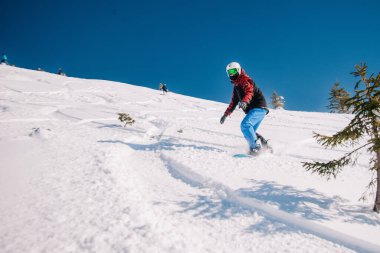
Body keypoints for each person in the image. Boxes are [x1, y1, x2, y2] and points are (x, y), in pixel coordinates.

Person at [220, 62, 269, 156]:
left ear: (238, 70)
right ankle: (265, 145)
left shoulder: (245, 80)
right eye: (230, 72)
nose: (232, 74)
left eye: (234, 71)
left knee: (245, 125)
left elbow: (249, 91)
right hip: (255, 109)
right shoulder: (236, 87)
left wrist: (245, 101)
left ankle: (255, 149)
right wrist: (225, 114)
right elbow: (233, 102)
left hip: (258, 107)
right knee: (250, 131)